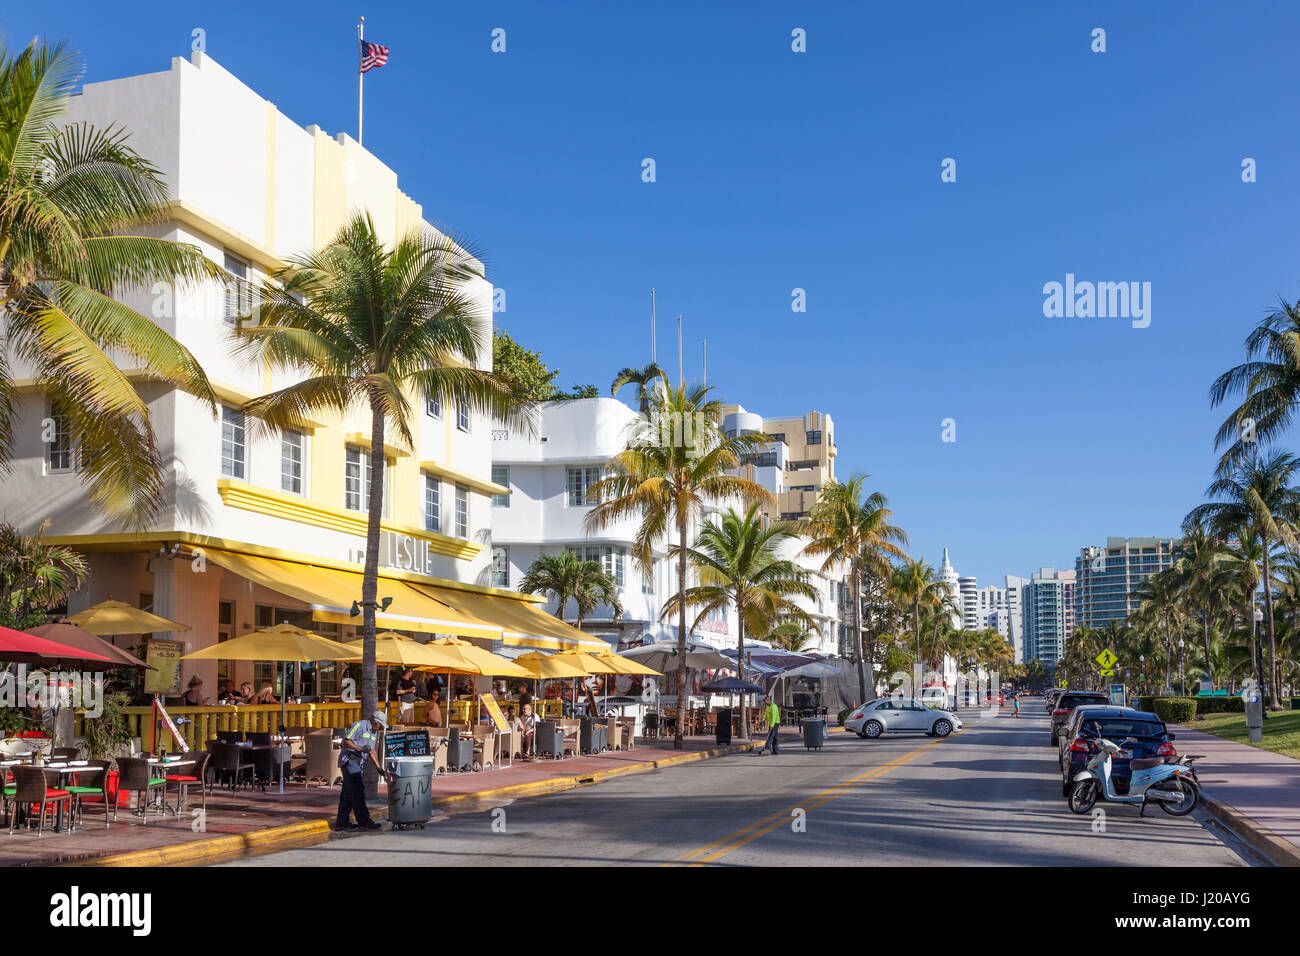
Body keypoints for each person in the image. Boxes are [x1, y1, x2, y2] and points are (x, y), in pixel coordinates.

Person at [335, 710, 386, 832]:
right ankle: (364, 821)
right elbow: (346, 741)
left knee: (348, 794)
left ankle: (342, 823)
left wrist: (379, 767)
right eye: (379, 724)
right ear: (374, 721)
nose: (379, 727)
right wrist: (360, 748)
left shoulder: (374, 732)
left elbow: (372, 751)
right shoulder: (359, 725)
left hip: (359, 764)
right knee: (358, 791)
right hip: (349, 761)